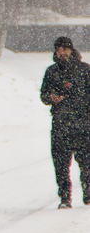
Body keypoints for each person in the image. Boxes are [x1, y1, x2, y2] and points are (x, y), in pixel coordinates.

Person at [40, 36, 90, 208]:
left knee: (86, 161)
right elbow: (43, 95)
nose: (61, 53)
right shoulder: (52, 71)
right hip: (61, 123)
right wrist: (51, 97)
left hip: (83, 123)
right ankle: (65, 197)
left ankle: (88, 191)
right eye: (58, 49)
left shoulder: (85, 70)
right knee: (60, 162)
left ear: (71, 50)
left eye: (65, 49)